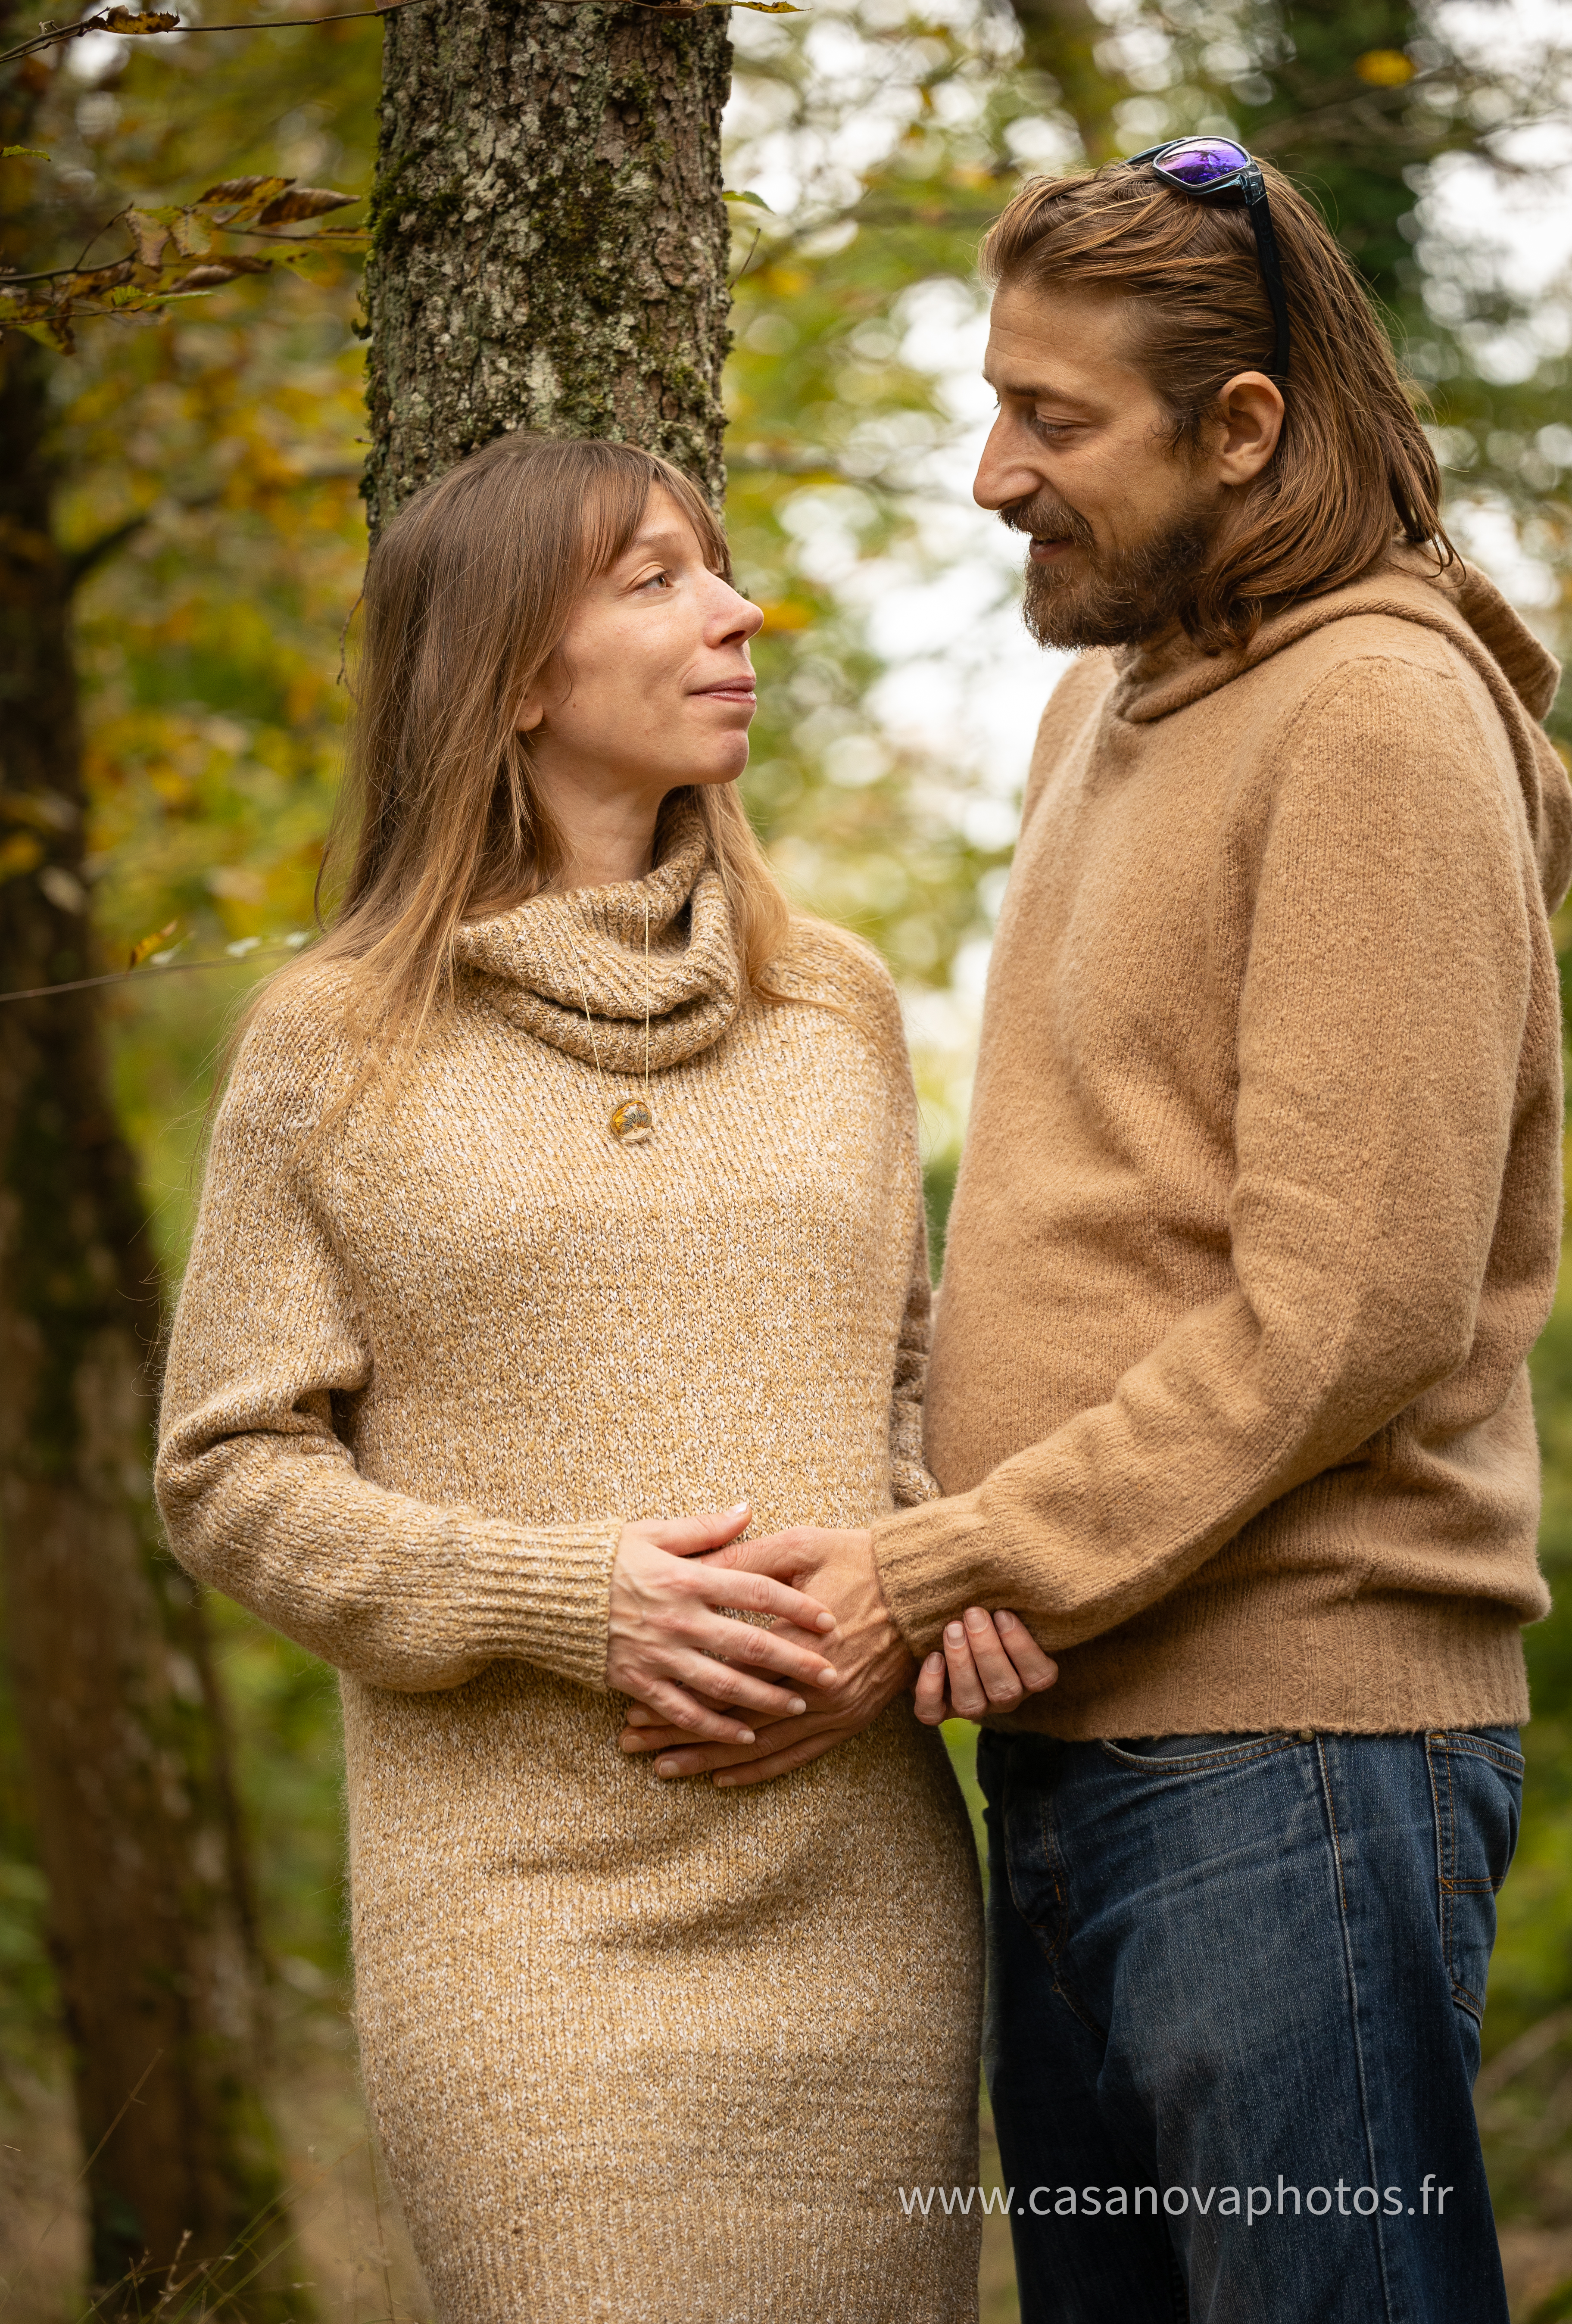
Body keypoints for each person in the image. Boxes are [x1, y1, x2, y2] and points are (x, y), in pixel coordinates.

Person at [629, 151, 1571, 2322]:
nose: (991, 475)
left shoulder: (1380, 716)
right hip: (1067, 1722)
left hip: (1299, 1758)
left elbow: (1347, 1312)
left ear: (1243, 427)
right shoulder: (1101, 711)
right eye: (995, 404)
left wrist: (945, 1561)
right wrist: (995, 1559)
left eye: (1056, 421)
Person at [154, 432, 1004, 2324]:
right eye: (658, 580)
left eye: (721, 569)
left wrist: (945, 1581)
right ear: (513, 675)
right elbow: (227, 1468)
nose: (737, 614)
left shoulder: (836, 1007)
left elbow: (902, 1395)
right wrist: (566, 1597)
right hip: (521, 1921)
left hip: (855, 1888)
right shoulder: (334, 1042)